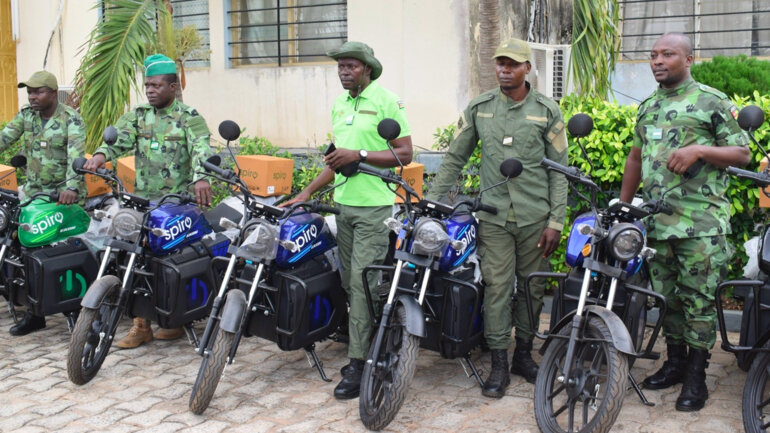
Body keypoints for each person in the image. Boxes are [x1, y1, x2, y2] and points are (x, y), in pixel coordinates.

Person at [425, 38, 568, 398]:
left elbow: (559, 171)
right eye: (500, 64)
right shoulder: (481, 107)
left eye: (512, 64)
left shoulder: (547, 110)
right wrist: (431, 202)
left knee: (533, 287)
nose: (505, 70)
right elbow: (456, 157)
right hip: (494, 217)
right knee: (498, 288)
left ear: (527, 69)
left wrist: (556, 221)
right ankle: (499, 363)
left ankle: (524, 355)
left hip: (535, 217)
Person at [619, 33, 750, 412]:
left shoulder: (711, 100)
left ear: (689, 59)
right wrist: (625, 208)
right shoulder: (647, 108)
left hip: (701, 226)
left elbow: (741, 153)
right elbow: (635, 158)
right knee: (669, 301)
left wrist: (700, 150)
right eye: (653, 55)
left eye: (668, 54)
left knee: (698, 303)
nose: (657, 61)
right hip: (658, 225)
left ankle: (696, 376)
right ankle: (674, 363)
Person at [282, 41, 412, 400]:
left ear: (367, 68)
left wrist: (363, 153)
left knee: (363, 283)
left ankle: (359, 363)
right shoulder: (341, 104)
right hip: (344, 206)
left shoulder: (387, 101)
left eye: (351, 66)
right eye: (340, 66)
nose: (344, 71)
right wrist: (307, 192)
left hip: (375, 209)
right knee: (350, 282)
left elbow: (405, 152)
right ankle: (366, 340)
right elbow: (337, 160)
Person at [83, 54, 214, 349]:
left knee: (169, 262)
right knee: (130, 255)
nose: (150, 90)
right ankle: (141, 325)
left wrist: (202, 177)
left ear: (172, 86)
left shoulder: (188, 116)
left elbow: (202, 149)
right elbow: (117, 140)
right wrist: (102, 155)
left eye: (156, 85)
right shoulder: (139, 115)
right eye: (147, 85)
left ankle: (176, 318)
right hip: (141, 201)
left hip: (175, 203)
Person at [0, 70, 86, 336]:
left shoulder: (70, 119)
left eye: (38, 92)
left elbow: (76, 154)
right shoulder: (27, 115)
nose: (32, 97)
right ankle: (35, 314)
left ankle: (76, 310)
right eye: (30, 92)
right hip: (35, 196)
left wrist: (71, 187)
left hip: (62, 198)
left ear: (52, 92)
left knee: (63, 256)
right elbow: (4, 138)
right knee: (26, 252)